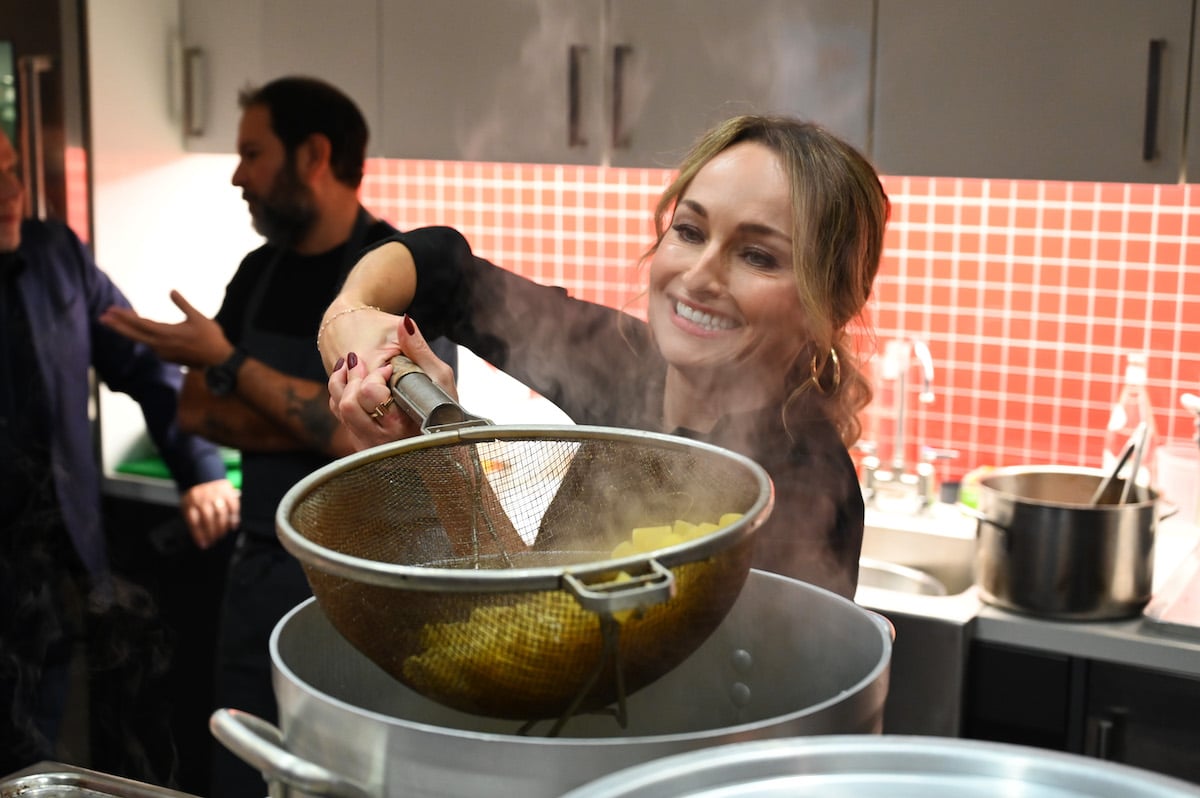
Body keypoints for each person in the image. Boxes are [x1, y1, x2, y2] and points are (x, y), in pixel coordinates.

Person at [317, 115, 888, 599]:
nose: (697, 275)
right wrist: (347, 316)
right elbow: (443, 267)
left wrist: (448, 463)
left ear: (827, 306)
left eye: (758, 255)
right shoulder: (626, 361)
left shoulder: (802, 488)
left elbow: (578, 662)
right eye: (689, 230)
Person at [98, 75, 456, 797]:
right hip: (258, 581)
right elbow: (200, 412)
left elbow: (385, 435)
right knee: (246, 772)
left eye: (253, 153)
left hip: (367, 595)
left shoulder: (395, 281)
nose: (238, 175)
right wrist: (312, 422)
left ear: (314, 155)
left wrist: (232, 364)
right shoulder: (259, 273)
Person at [0, 128, 239, 776]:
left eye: (14, 170)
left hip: (57, 567)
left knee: (42, 751)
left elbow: (147, 366)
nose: (12, 192)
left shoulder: (59, 259)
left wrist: (200, 468)